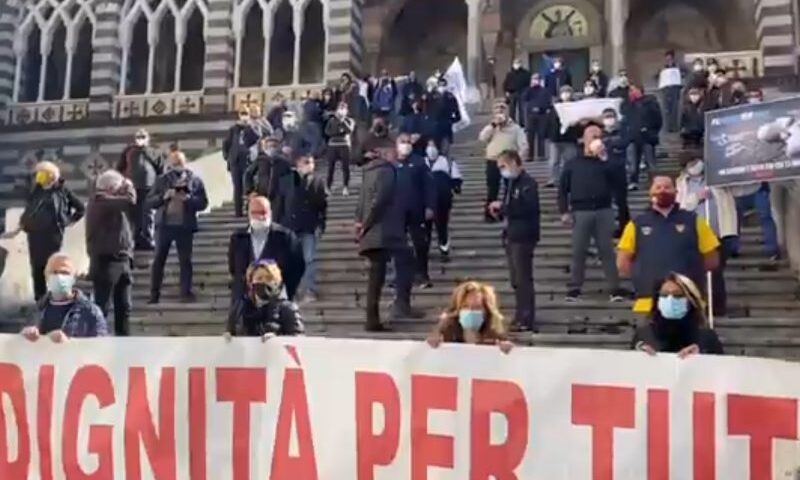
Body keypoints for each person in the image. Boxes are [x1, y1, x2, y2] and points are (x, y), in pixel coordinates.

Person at [617, 176, 721, 315]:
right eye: (658, 187)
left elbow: (712, 259)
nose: (663, 191)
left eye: (667, 187)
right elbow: (623, 262)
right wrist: (642, 275)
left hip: (688, 301)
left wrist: (692, 272)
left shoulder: (694, 221)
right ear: (650, 192)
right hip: (648, 303)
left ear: (676, 191)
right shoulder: (636, 224)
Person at [355, 138, 422, 331]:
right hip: (385, 230)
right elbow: (381, 199)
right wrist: (367, 224)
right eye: (392, 150)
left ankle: (374, 317)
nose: (395, 152)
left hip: (375, 231)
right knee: (404, 262)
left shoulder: (368, 172)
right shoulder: (387, 171)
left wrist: (359, 223)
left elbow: (361, 202)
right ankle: (394, 308)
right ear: (384, 152)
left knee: (376, 276)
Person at [558, 126, 626, 302]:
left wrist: (605, 159)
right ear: (583, 140)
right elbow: (563, 189)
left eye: (598, 136)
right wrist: (564, 210)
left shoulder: (608, 162)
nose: (596, 138)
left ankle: (615, 288)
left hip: (604, 210)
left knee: (607, 251)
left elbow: (619, 182)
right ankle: (575, 288)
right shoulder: (573, 163)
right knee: (579, 250)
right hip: (581, 211)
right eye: (591, 135)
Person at [676, 153, 738, 317]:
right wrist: (696, 197)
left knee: (716, 270)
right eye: (691, 163)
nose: (695, 166)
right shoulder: (682, 182)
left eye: (696, 161)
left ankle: (717, 306)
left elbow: (737, 190)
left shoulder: (718, 176)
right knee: (697, 271)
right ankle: (700, 303)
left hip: (720, 231)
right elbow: (681, 206)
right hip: (696, 233)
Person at [15, 161, 85, 301]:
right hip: (35, 235)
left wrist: (68, 221)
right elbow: (29, 206)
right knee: (37, 268)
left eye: (41, 173)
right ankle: (40, 299)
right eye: (37, 174)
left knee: (52, 266)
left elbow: (80, 208)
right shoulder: (37, 190)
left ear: (51, 176)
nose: (38, 177)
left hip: (53, 235)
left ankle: (55, 297)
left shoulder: (62, 190)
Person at [487, 150, 541, 332]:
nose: (502, 170)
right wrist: (499, 211)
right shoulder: (509, 184)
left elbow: (528, 208)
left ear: (515, 163)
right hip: (511, 234)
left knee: (523, 278)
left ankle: (527, 317)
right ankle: (520, 314)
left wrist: (505, 207)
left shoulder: (528, 184)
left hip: (524, 236)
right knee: (515, 279)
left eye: (504, 166)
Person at [147, 150, 209, 304]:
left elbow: (203, 203)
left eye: (180, 163)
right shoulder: (161, 180)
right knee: (158, 260)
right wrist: (164, 197)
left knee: (185, 261)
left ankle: (185, 292)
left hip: (185, 226)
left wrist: (188, 199)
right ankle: (154, 294)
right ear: (169, 164)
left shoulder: (195, 180)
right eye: (174, 163)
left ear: (185, 162)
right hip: (165, 225)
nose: (178, 166)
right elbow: (149, 202)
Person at [228, 195, 306, 302]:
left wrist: (284, 289)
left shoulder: (286, 237)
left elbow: (298, 266)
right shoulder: (238, 239)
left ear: (270, 213)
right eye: (254, 213)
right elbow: (234, 268)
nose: (259, 217)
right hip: (244, 301)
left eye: (263, 212)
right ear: (249, 214)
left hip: (276, 298)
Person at [86, 169, 136, 336]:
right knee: (102, 306)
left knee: (124, 306)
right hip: (106, 261)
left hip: (122, 259)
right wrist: (128, 185)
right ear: (111, 187)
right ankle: (97, 340)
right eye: (119, 187)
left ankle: (124, 340)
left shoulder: (110, 202)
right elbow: (129, 201)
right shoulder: (100, 200)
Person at [273, 155, 328, 302]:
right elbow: (279, 206)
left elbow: (323, 207)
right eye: (306, 162)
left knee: (309, 259)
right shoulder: (285, 181)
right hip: (289, 227)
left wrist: (321, 225)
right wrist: (276, 225)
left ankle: (309, 290)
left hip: (309, 227)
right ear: (298, 164)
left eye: (311, 162)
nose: (310, 165)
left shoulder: (318, 182)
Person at [20, 253, 107, 342]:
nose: (59, 277)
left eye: (65, 273)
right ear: (46, 276)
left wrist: (69, 345)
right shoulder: (36, 310)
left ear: (74, 277)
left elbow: (100, 347)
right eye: (54, 272)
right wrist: (25, 336)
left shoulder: (91, 312)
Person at [631, 273, 723, 356]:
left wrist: (701, 354)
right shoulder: (644, 335)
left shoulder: (706, 337)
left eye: (677, 295)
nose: (670, 299)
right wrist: (640, 356)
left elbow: (721, 368)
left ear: (690, 301)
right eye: (664, 295)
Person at [426, 281, 513, 353]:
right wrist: (432, 344)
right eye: (465, 307)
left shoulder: (496, 338)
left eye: (477, 307)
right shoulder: (445, 333)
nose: (470, 311)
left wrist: (507, 351)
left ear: (487, 310)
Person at [396, 133, 436, 287]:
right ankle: (400, 276)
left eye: (408, 142)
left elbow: (429, 186)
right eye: (402, 142)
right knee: (398, 246)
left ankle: (422, 274)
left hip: (417, 211)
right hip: (397, 213)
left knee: (420, 244)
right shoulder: (391, 164)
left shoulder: (419, 163)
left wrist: (430, 206)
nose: (406, 144)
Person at [226, 260, 305, 338]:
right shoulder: (239, 309)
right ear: (250, 282)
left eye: (269, 278)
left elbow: (299, 340)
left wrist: (278, 341)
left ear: (276, 282)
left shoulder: (287, 309)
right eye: (259, 278)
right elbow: (231, 332)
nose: (263, 282)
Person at [478, 103, 528, 221]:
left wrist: (518, 160)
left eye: (503, 108)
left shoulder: (515, 128)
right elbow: (482, 138)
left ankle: (506, 212)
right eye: (497, 108)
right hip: (493, 160)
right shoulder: (491, 127)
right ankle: (490, 214)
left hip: (508, 162)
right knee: (492, 188)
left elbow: (524, 145)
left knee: (509, 188)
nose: (500, 111)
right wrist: (493, 125)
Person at [117, 129, 163, 250]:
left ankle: (147, 239)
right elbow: (120, 168)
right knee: (133, 215)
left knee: (147, 214)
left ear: (147, 138)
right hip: (132, 188)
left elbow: (161, 169)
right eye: (138, 136)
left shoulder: (154, 152)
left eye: (143, 137)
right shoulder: (128, 152)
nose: (140, 139)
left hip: (149, 188)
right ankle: (134, 239)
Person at [424, 140, 462, 260]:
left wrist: (455, 187)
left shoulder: (447, 162)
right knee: (425, 227)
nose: (431, 148)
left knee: (442, 226)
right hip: (425, 200)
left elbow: (456, 179)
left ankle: (444, 249)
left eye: (433, 145)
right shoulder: (421, 162)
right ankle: (424, 250)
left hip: (443, 199)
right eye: (429, 146)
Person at [222, 109, 260, 217]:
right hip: (235, 161)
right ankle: (238, 211)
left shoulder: (252, 128)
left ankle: (249, 208)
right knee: (237, 186)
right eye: (242, 114)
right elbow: (226, 143)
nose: (244, 117)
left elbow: (257, 138)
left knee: (247, 185)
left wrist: (249, 127)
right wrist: (227, 157)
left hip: (248, 161)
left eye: (246, 114)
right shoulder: (233, 129)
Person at [627, 85, 663, 190]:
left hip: (648, 137)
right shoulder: (628, 105)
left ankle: (654, 183)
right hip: (633, 137)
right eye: (630, 90)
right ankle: (633, 182)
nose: (631, 92)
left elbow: (658, 119)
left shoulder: (650, 103)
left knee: (651, 163)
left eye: (633, 90)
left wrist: (651, 130)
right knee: (633, 163)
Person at [601, 108, 631, 236]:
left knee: (621, 201)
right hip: (603, 170)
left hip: (619, 169)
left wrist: (609, 143)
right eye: (606, 117)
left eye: (611, 116)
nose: (609, 119)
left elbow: (624, 143)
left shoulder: (622, 131)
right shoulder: (600, 133)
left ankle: (624, 226)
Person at [544, 85, 580, 188]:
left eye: (568, 92)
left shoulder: (575, 107)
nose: (566, 94)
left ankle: (569, 179)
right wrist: (547, 134)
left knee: (570, 161)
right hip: (555, 138)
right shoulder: (555, 107)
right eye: (564, 92)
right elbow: (549, 122)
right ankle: (553, 179)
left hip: (570, 138)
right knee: (553, 161)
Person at [245, 136, 292, 203]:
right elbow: (248, 174)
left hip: (279, 198)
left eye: (274, 146)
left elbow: (289, 180)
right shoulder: (260, 161)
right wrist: (250, 191)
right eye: (269, 146)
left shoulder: (284, 163)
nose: (272, 148)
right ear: (265, 147)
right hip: (262, 195)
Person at [324, 101, 355, 196]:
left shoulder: (350, 121)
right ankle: (328, 187)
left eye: (344, 108)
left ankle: (345, 187)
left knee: (345, 168)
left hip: (344, 145)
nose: (342, 111)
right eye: (340, 108)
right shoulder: (332, 120)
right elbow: (327, 132)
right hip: (332, 146)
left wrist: (342, 122)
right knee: (331, 168)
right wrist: (339, 131)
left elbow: (349, 130)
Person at [522, 73, 552, 162]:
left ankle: (541, 155)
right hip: (531, 115)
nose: (535, 81)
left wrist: (541, 108)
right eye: (534, 79)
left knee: (541, 135)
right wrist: (530, 88)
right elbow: (524, 98)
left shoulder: (545, 91)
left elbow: (548, 102)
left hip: (542, 115)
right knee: (530, 136)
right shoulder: (528, 90)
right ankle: (529, 155)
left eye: (537, 79)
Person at [427, 77, 462, 154]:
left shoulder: (450, 97)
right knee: (434, 152)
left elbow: (458, 114)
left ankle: (445, 164)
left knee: (445, 151)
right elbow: (426, 110)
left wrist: (451, 121)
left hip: (446, 128)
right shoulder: (431, 96)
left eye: (444, 85)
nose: (442, 87)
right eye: (440, 85)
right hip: (434, 128)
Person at [659, 50, 684, 133]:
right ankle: (667, 127)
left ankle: (675, 127)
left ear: (673, 59)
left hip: (675, 90)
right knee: (666, 109)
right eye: (667, 59)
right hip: (665, 90)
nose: (669, 60)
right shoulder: (663, 68)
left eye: (670, 58)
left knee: (675, 108)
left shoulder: (678, 67)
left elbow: (686, 73)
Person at [503, 58, 531, 125]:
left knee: (522, 109)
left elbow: (528, 83)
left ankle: (522, 124)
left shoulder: (525, 73)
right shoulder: (510, 74)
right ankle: (512, 122)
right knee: (512, 109)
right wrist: (506, 91)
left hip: (522, 92)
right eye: (515, 63)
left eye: (518, 63)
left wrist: (527, 91)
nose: (517, 65)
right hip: (512, 92)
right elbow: (506, 83)